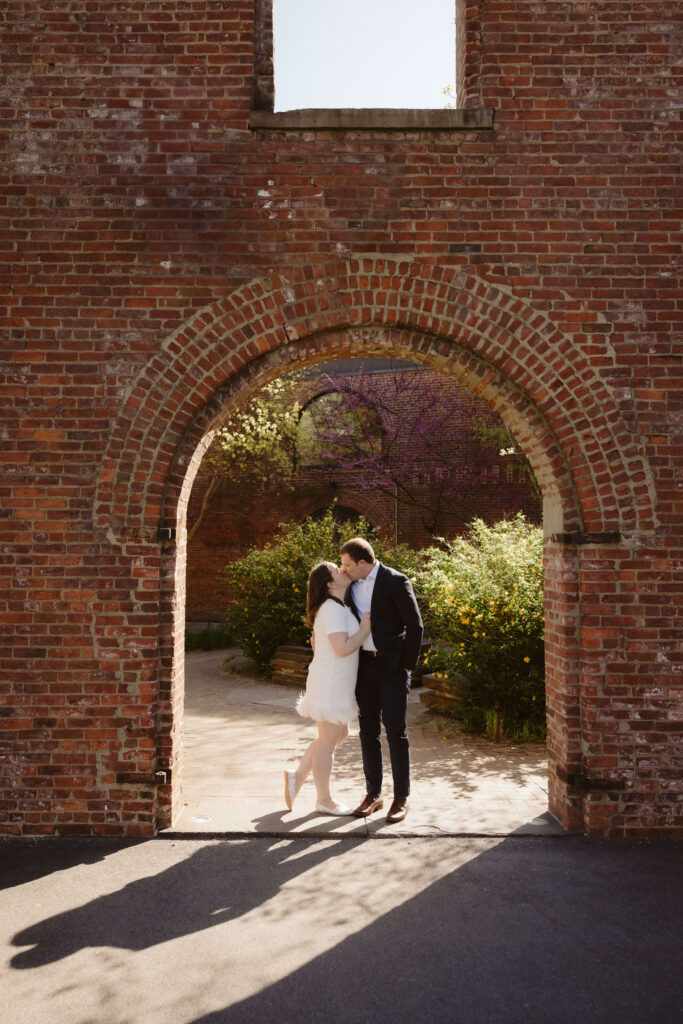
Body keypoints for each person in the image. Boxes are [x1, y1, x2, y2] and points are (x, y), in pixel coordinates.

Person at [340, 537, 423, 824]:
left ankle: (401, 797)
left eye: (347, 565)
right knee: (367, 731)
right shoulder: (350, 585)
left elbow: (415, 625)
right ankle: (373, 794)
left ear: (362, 563)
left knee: (396, 731)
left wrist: (406, 667)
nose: (344, 570)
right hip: (364, 666)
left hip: (392, 668)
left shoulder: (396, 581)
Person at [284, 561, 371, 816]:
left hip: (337, 682)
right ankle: (324, 800)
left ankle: (297, 777)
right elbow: (342, 648)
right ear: (330, 583)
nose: (343, 570)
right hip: (330, 683)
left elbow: (325, 644)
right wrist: (365, 630)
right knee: (329, 739)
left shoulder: (338, 606)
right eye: (336, 570)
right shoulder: (331, 608)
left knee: (335, 736)